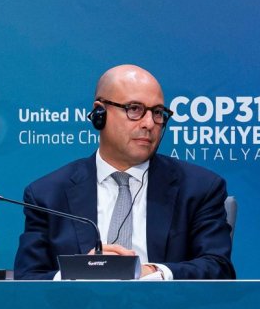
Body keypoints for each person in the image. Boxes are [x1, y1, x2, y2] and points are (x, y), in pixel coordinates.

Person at [14, 65, 235, 280]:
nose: (149, 123)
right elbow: (28, 278)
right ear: (100, 112)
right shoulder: (48, 194)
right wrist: (80, 272)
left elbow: (218, 268)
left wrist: (154, 272)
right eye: (134, 109)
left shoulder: (199, 188)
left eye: (158, 113)